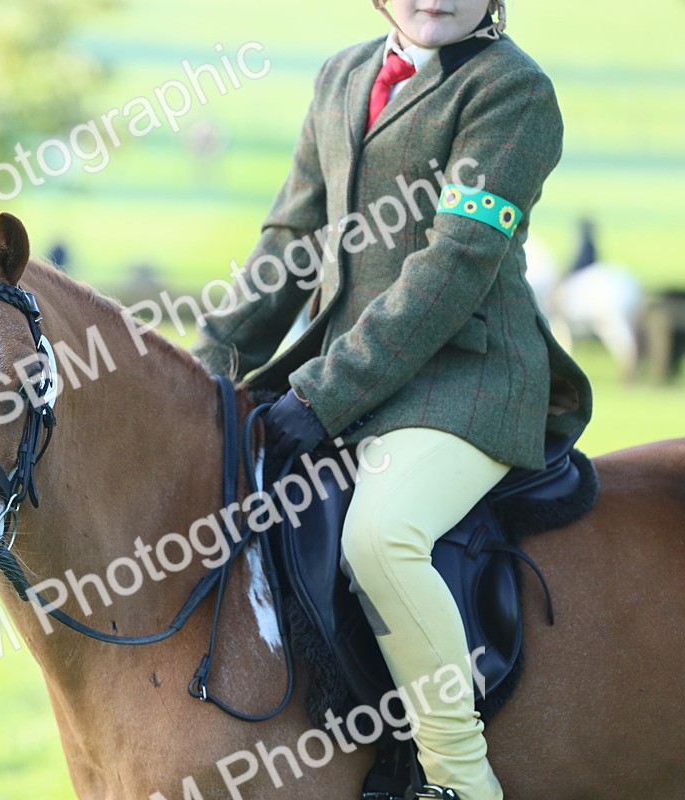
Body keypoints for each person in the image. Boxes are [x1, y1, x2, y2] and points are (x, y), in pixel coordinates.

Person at [191, 2, 592, 797]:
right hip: (352, 373)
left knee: (381, 537)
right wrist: (201, 371)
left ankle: (460, 777)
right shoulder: (343, 74)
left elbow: (455, 265)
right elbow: (291, 242)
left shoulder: (512, 90)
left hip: (467, 380)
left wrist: (325, 394)